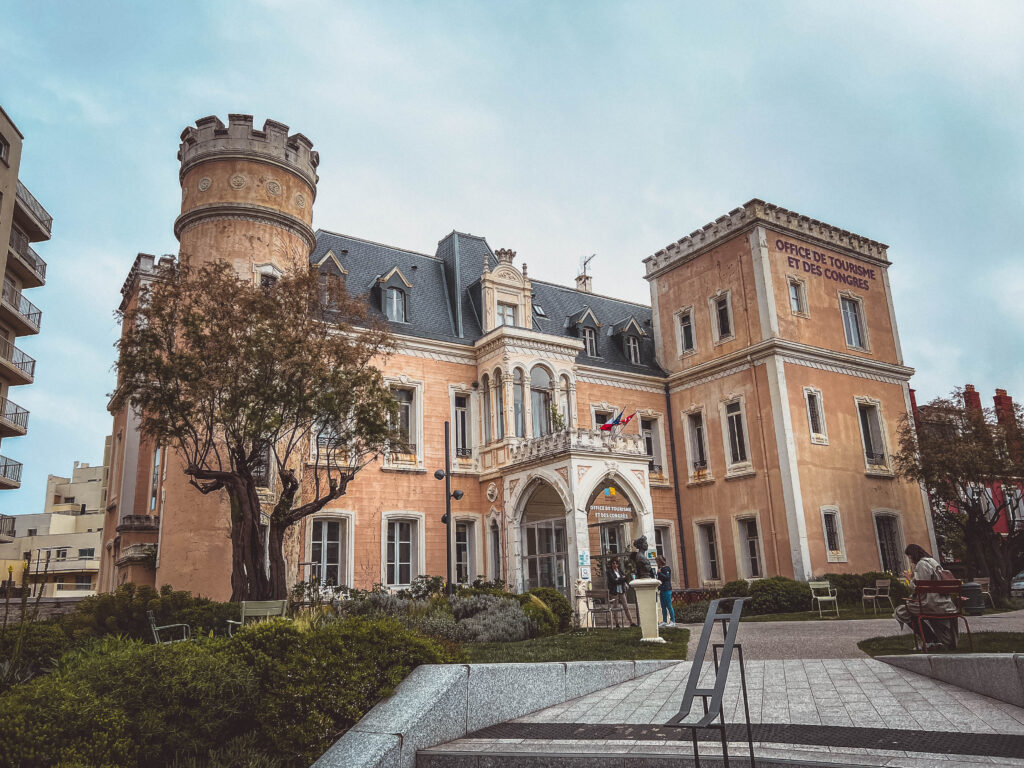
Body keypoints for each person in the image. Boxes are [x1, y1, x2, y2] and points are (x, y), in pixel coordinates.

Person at [893, 543, 958, 649]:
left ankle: (930, 639)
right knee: (910, 610)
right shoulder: (933, 561)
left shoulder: (921, 564)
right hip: (945, 602)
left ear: (913, 554)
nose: (910, 560)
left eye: (909, 556)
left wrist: (910, 579)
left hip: (931, 603)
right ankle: (933, 639)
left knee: (900, 612)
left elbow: (919, 588)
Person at [605, 557, 635, 627]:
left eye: (615, 563)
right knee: (615, 607)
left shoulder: (620, 571)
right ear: (611, 564)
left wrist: (619, 579)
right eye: (613, 563)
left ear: (617, 564)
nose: (614, 565)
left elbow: (625, 578)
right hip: (615, 592)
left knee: (626, 606)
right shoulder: (609, 572)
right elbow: (613, 581)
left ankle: (631, 622)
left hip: (621, 591)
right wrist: (621, 579)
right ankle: (617, 623)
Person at [656, 555, 676, 627]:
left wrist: (659, 573)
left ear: (660, 562)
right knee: (663, 606)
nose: (657, 563)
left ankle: (672, 621)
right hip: (662, 590)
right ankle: (664, 621)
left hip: (667, 589)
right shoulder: (660, 569)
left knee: (669, 605)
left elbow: (667, 578)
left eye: (657, 562)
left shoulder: (666, 568)